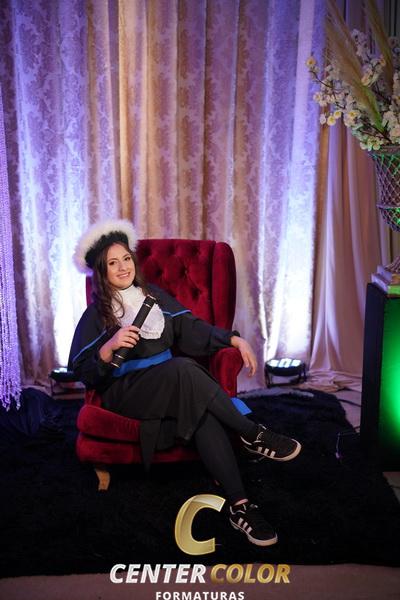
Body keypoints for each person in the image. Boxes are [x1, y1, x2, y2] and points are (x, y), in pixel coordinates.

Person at [69, 219, 301, 547]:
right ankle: (252, 433)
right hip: (127, 392)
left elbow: (192, 329)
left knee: (203, 413)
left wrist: (232, 340)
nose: (123, 267)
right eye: (112, 263)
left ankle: (240, 507)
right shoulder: (96, 314)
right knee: (183, 368)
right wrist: (109, 346)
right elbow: (83, 372)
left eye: (126, 259)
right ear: (101, 272)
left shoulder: (154, 297)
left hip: (171, 383)